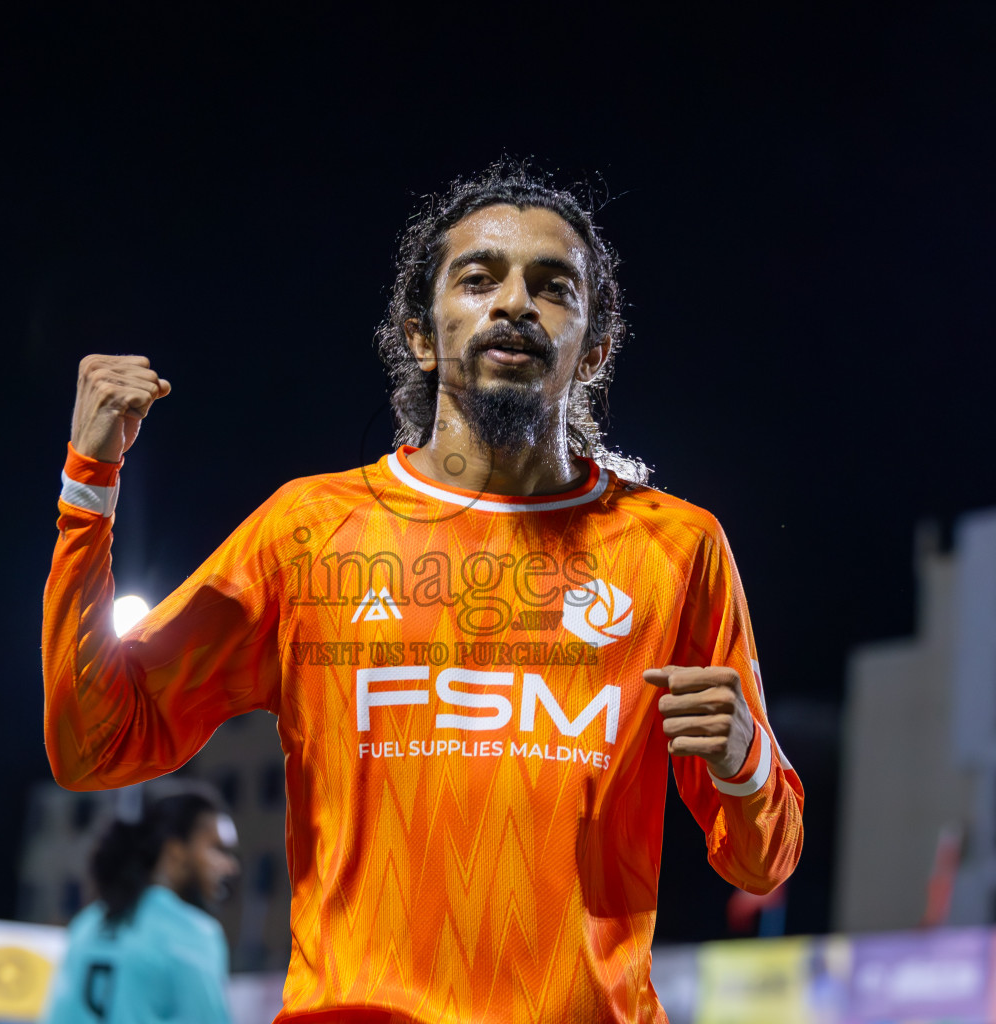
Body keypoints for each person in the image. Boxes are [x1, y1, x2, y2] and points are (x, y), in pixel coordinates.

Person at [42, 160, 804, 1023]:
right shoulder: (308, 529)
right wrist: (88, 488)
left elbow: (761, 863)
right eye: (479, 278)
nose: (514, 302)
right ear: (420, 333)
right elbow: (92, 743)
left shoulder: (677, 547)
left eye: (553, 287)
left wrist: (745, 762)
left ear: (594, 346)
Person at [43, 788, 240, 1024]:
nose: (230, 866)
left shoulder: (86, 925)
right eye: (217, 849)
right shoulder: (192, 933)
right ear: (175, 852)